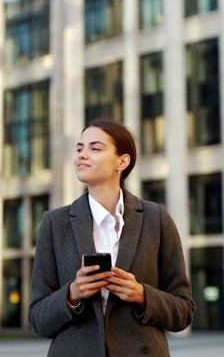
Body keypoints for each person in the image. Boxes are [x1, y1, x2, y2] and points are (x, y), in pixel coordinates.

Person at [28, 119, 195, 356]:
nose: (82, 155)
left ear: (122, 161)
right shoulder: (55, 223)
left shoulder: (156, 218)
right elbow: (37, 318)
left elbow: (184, 310)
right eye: (79, 148)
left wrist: (141, 295)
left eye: (94, 148)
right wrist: (73, 293)